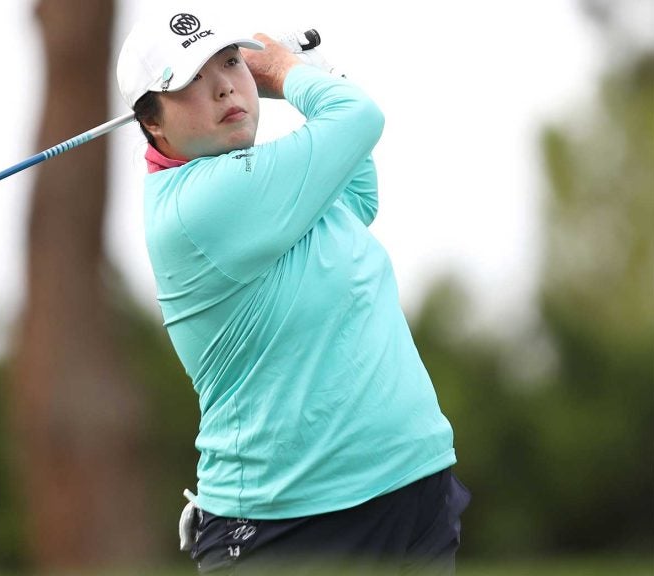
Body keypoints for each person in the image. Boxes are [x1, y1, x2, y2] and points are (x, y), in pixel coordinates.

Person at [116, 8, 471, 575]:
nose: (227, 84)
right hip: (291, 524)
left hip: (411, 488)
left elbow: (358, 193)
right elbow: (357, 118)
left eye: (231, 61)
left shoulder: (265, 186)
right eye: (191, 80)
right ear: (152, 123)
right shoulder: (197, 205)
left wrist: (313, 67)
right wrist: (284, 71)